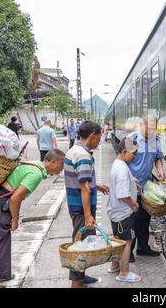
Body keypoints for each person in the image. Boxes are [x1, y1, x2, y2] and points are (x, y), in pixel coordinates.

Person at [0, 149, 66, 288]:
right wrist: (15, 220)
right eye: (61, 164)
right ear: (53, 162)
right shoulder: (36, 173)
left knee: (0, 240)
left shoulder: (34, 165)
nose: (61, 168)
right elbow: (16, 198)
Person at [64, 121, 110, 288]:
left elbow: (81, 180)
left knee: (84, 242)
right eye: (99, 138)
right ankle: (76, 283)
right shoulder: (83, 155)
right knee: (80, 246)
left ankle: (81, 277)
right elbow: (83, 186)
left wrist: (96, 185)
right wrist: (88, 215)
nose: (99, 141)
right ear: (92, 136)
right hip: (81, 209)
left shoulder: (75, 150)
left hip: (76, 205)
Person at [128, 115, 166, 261]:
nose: (150, 131)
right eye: (148, 128)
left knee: (144, 219)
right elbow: (123, 161)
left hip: (146, 187)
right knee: (131, 221)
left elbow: (157, 158)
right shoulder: (132, 140)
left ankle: (143, 247)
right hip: (132, 187)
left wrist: (161, 172)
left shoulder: (155, 141)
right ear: (141, 125)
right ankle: (128, 251)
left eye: (153, 128)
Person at [107, 137, 142, 283]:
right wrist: (133, 204)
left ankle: (115, 265)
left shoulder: (117, 164)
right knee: (127, 241)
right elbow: (123, 195)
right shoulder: (121, 169)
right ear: (124, 151)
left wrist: (132, 180)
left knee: (117, 239)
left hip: (116, 211)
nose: (135, 156)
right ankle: (124, 273)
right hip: (123, 213)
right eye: (133, 153)